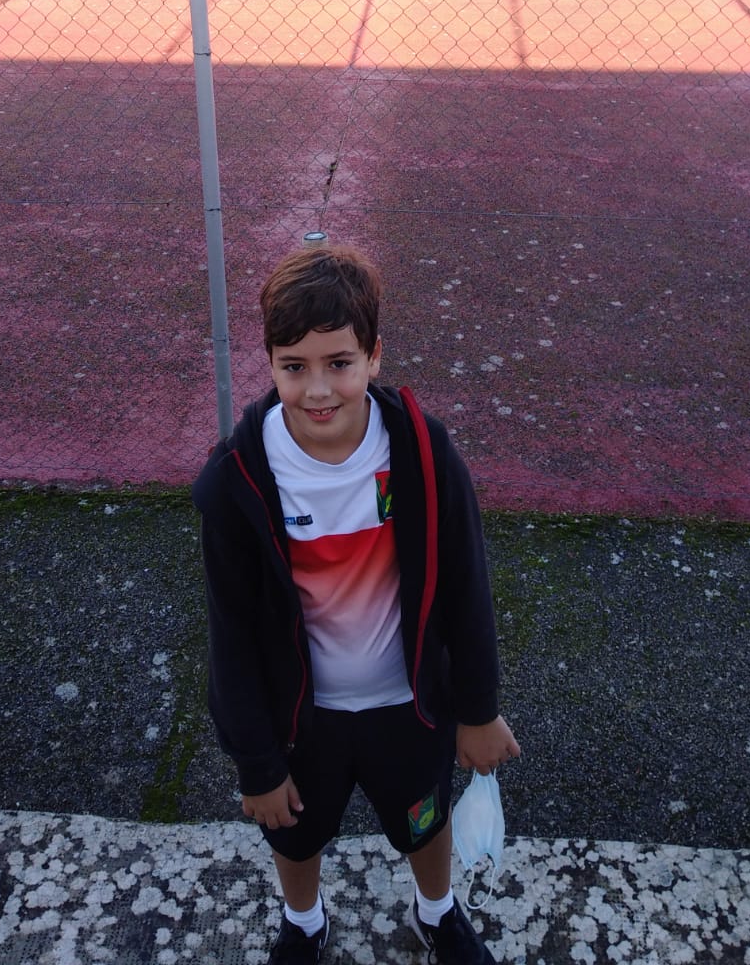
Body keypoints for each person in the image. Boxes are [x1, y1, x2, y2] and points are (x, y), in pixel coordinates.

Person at [192, 244, 520, 965]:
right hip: (302, 721)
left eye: (338, 363)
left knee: (424, 822)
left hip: (408, 706)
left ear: (374, 357)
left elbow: (467, 584)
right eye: (293, 367)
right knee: (295, 834)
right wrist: (256, 762)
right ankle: (303, 922)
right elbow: (231, 634)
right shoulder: (238, 481)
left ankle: (436, 910)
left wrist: (478, 708)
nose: (317, 390)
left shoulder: (424, 455)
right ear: (269, 362)